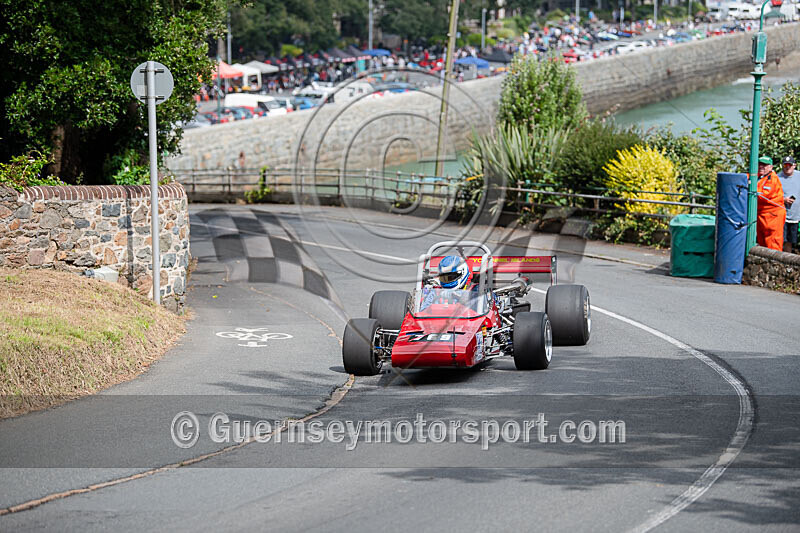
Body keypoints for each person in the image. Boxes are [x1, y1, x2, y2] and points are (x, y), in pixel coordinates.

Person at [756, 156, 786, 251]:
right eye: (760, 164)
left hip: (773, 215)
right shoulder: (758, 176)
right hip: (762, 214)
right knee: (762, 241)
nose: (761, 167)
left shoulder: (772, 179)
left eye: (764, 165)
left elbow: (763, 195)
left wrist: (748, 189)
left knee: (773, 242)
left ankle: (776, 264)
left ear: (771, 167)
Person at [778, 155, 799, 253]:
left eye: (789, 165)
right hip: (781, 215)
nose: (787, 167)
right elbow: (771, 196)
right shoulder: (777, 178)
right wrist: (784, 199)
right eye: (785, 165)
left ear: (794, 165)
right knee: (782, 239)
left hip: (796, 216)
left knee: (791, 241)